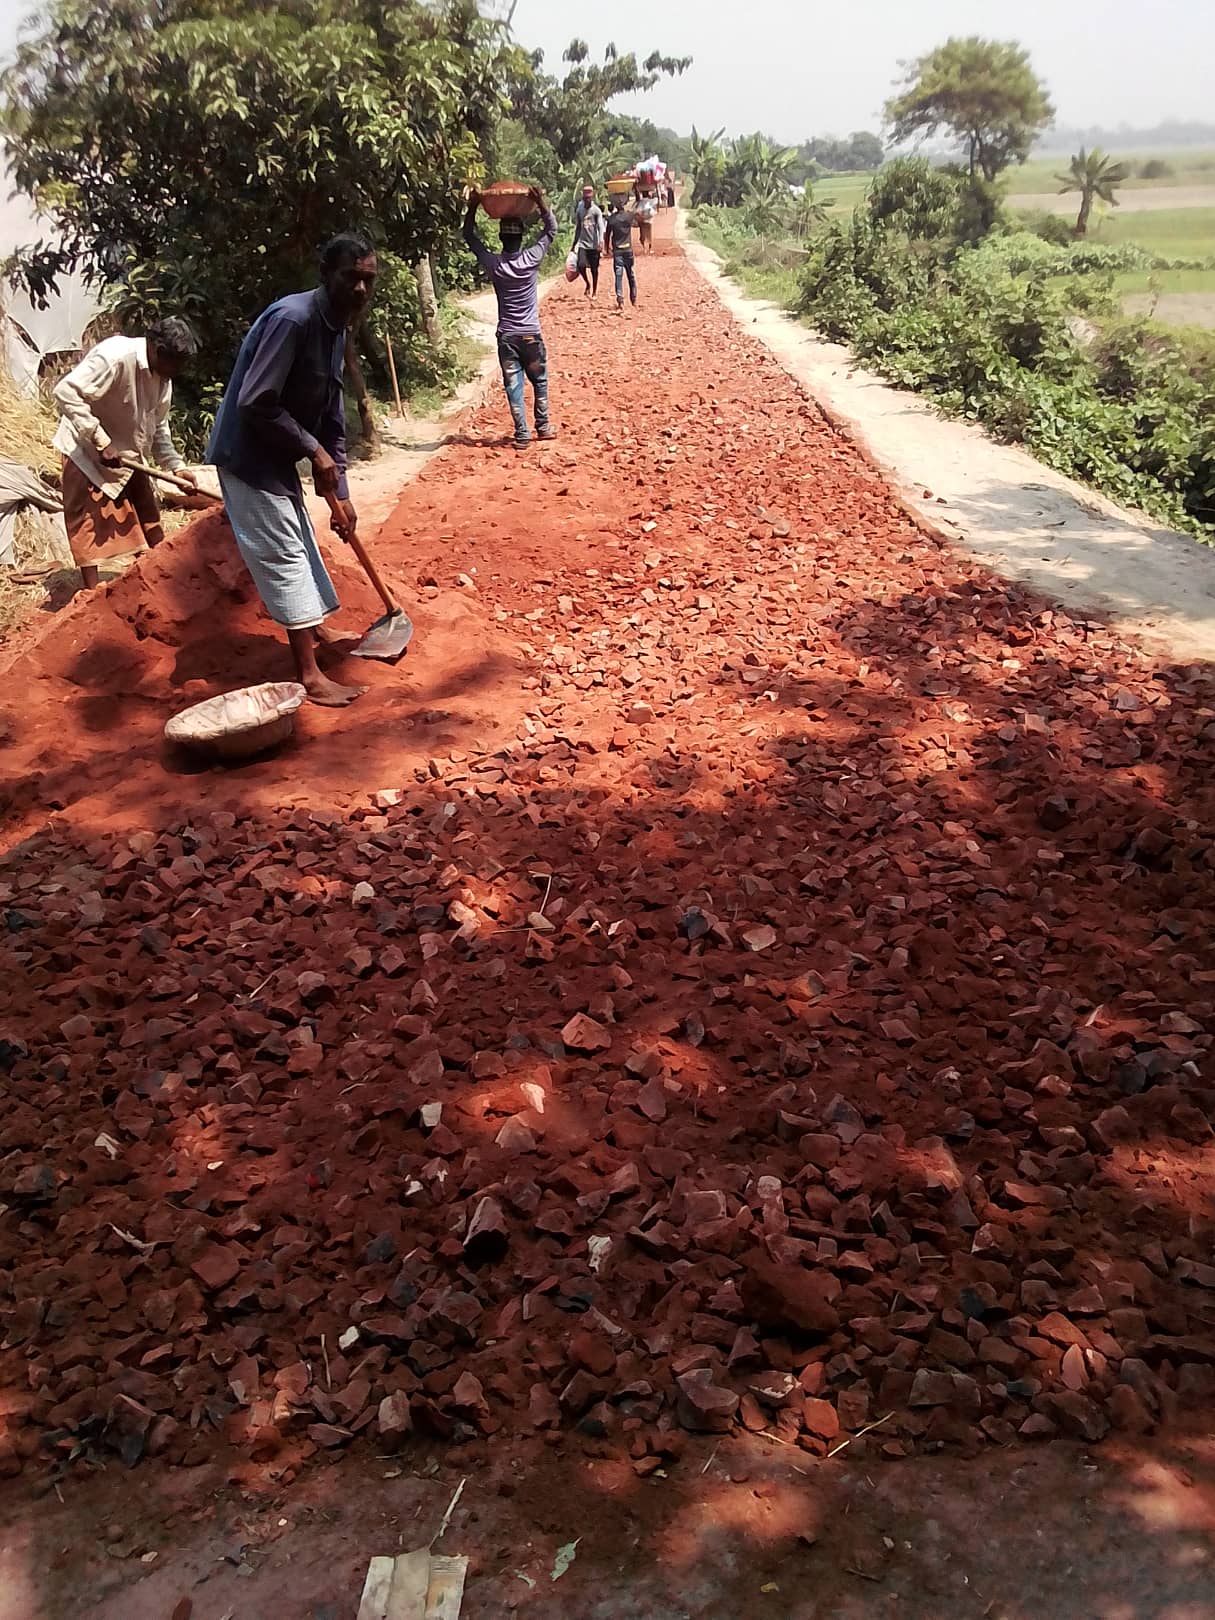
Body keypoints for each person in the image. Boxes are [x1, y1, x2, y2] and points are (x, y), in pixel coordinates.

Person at [207, 231, 378, 708]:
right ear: (327, 276)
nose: (361, 289)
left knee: (300, 537)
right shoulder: (292, 319)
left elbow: (332, 417)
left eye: (368, 280)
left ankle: (317, 629)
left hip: (278, 455)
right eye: (351, 278)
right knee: (284, 553)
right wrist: (313, 451)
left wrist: (340, 488)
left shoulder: (338, 326)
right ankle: (308, 674)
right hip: (247, 455)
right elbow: (256, 400)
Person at [53, 317, 198, 590]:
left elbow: (159, 428)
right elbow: (65, 391)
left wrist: (176, 468)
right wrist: (100, 440)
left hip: (129, 455)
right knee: (86, 525)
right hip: (86, 451)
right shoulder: (115, 356)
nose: (177, 371)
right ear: (156, 348)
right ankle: (91, 594)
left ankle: (161, 581)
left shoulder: (164, 377)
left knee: (149, 518)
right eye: (174, 362)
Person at [464, 186, 558, 450]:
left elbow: (469, 236)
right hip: (530, 335)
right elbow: (551, 230)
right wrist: (540, 201)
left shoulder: (495, 265)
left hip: (507, 337)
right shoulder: (531, 259)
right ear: (521, 238)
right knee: (539, 381)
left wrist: (473, 205)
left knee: (513, 385)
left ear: (501, 237)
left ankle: (522, 433)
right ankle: (543, 426)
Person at [605, 197, 639, 312]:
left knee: (618, 276)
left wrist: (606, 248)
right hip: (628, 250)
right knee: (631, 275)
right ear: (624, 204)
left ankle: (620, 300)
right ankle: (633, 299)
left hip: (618, 251)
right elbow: (637, 208)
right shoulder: (629, 216)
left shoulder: (612, 219)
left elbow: (607, 236)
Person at [572, 184, 605, 299]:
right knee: (580, 265)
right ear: (583, 198)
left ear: (592, 197)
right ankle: (587, 283)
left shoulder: (596, 211)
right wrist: (574, 244)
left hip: (594, 244)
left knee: (594, 269)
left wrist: (601, 241)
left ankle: (594, 291)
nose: (588, 200)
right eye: (586, 198)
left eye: (589, 198)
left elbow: (601, 226)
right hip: (583, 243)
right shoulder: (580, 210)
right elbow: (578, 228)